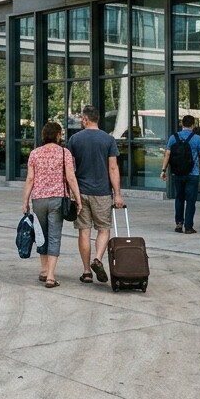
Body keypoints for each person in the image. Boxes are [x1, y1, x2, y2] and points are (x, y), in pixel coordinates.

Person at [20, 121, 82, 288]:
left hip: (38, 199)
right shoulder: (64, 153)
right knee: (54, 236)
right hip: (57, 199)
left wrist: (25, 201)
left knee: (41, 235)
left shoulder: (34, 154)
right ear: (58, 135)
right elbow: (70, 177)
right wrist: (78, 198)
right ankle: (51, 277)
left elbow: (30, 179)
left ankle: (44, 269)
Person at [67, 105, 122, 285]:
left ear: (85, 119)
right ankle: (97, 259)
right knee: (104, 229)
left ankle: (86, 272)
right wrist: (118, 194)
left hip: (81, 192)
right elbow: (113, 168)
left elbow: (69, 169)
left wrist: (70, 192)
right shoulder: (108, 140)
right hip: (102, 192)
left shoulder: (74, 139)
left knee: (84, 231)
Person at [161, 114, 200, 234]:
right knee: (191, 201)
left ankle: (179, 223)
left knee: (179, 198)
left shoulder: (173, 137)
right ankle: (188, 226)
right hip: (193, 173)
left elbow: (167, 154)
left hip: (178, 173)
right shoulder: (197, 139)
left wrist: (163, 170)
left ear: (182, 124)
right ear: (193, 125)